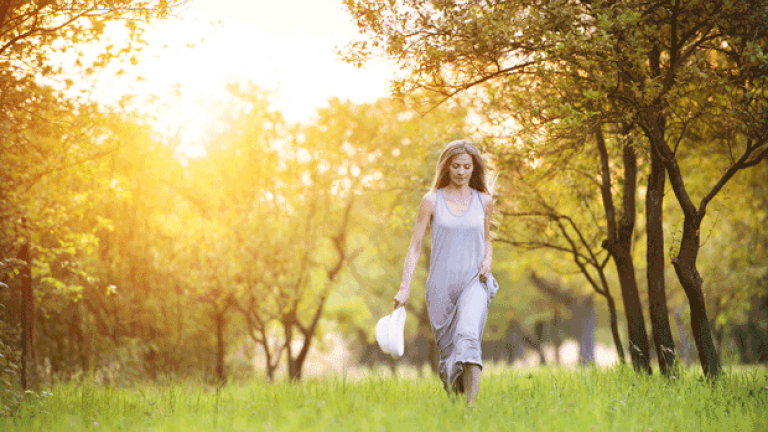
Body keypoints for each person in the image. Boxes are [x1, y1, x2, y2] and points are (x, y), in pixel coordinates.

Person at [393, 139, 495, 407]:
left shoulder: (484, 201)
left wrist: (488, 259)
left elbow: (487, 240)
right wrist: (404, 288)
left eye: (467, 167)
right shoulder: (431, 201)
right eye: (456, 166)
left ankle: (471, 411)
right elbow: (415, 246)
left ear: (474, 168)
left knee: (468, 339)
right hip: (441, 287)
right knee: (450, 360)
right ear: (446, 167)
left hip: (474, 282)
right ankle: (457, 407)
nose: (461, 172)